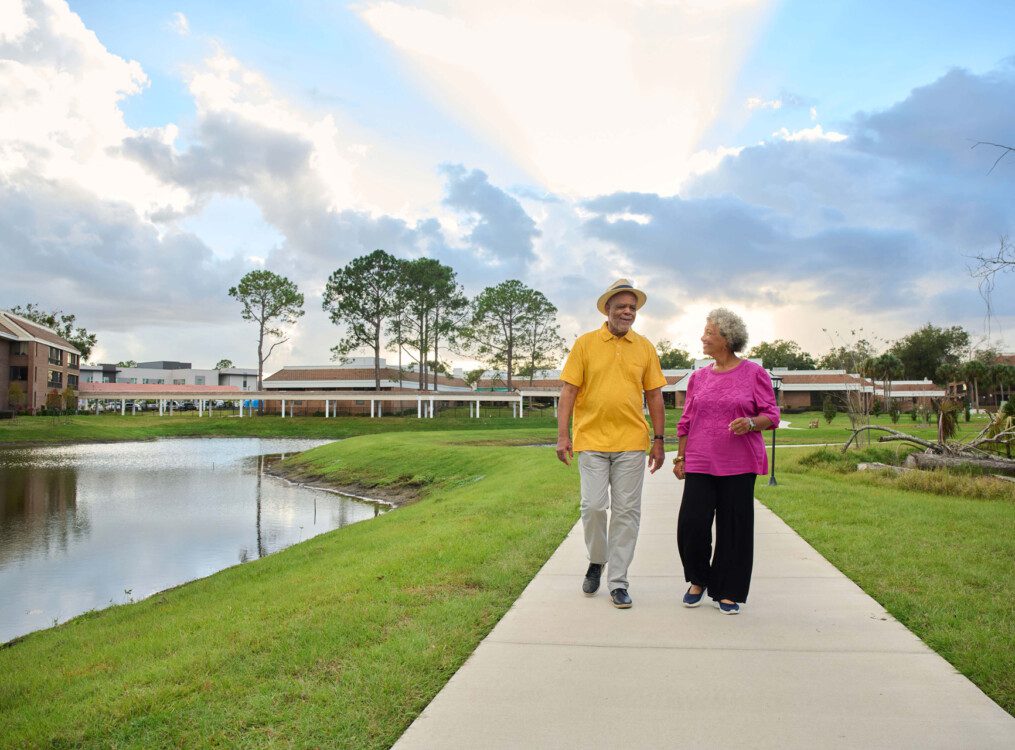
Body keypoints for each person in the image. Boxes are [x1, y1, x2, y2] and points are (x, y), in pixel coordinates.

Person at [556, 279, 667, 609]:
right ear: (607, 309)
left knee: (626, 513)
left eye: (632, 307)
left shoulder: (645, 347)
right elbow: (568, 392)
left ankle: (618, 580)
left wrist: (659, 440)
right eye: (621, 306)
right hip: (591, 439)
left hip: (632, 442)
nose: (627, 312)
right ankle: (597, 559)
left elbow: (656, 396)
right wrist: (564, 436)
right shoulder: (586, 344)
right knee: (592, 507)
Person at [672, 308, 780, 615]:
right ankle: (698, 579)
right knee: (691, 525)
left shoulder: (754, 374)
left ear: (727, 339)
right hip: (700, 461)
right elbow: (686, 421)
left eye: (709, 332)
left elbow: (771, 416)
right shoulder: (699, 377)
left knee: (734, 528)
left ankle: (728, 590)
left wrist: (749, 422)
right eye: (704, 331)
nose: (703, 337)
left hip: (739, 463)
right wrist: (680, 457)